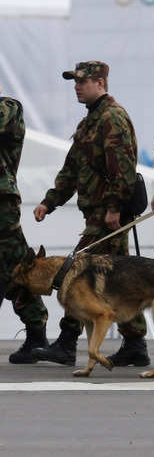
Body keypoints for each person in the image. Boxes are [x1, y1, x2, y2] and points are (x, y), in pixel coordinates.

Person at [31, 61, 149, 368]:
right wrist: (50, 202)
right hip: (96, 215)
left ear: (100, 82)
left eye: (82, 81)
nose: (77, 86)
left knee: (76, 276)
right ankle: (135, 343)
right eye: (74, 81)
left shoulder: (112, 118)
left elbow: (123, 169)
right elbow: (71, 171)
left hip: (107, 217)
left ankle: (67, 343)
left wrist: (114, 208)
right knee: (118, 281)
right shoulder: (89, 123)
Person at [0, 87, 50, 363]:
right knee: (7, 270)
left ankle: (36, 332)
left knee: (16, 266)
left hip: (2, 205)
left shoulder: (9, 107)